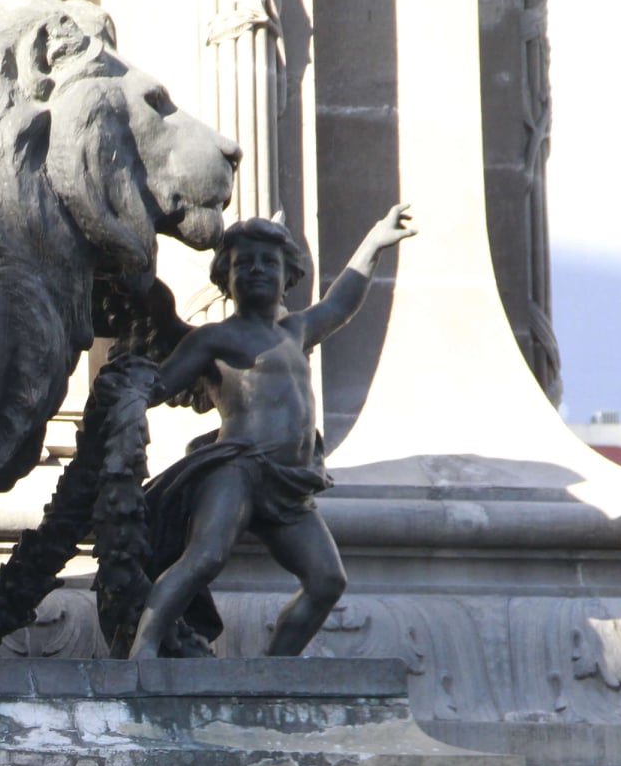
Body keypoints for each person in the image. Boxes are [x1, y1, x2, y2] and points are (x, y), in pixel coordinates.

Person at [129, 206, 417, 659]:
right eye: (244, 263)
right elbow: (161, 385)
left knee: (326, 581)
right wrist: (127, 392)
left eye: (269, 262)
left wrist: (374, 242)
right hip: (238, 469)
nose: (257, 270)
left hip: (290, 483)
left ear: (288, 276)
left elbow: (342, 301)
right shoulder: (213, 339)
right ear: (226, 277)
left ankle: (276, 668)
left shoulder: (297, 329)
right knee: (204, 557)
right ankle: (141, 650)